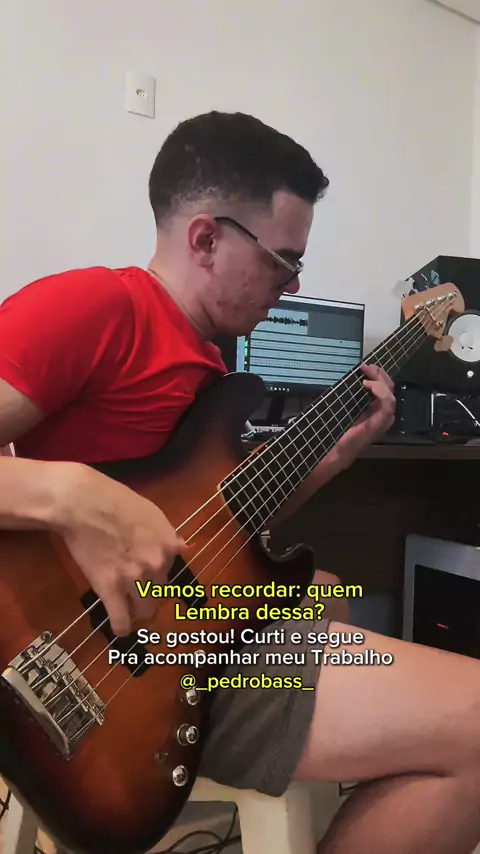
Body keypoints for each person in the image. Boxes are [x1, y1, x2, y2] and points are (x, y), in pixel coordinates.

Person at [0, 111, 479, 854]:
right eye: (284, 262)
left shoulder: (211, 366)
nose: (293, 286)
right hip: (122, 662)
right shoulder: (96, 307)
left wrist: (333, 458)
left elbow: (215, 533)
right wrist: (73, 497)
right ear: (205, 239)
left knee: (331, 591)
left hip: (190, 626)